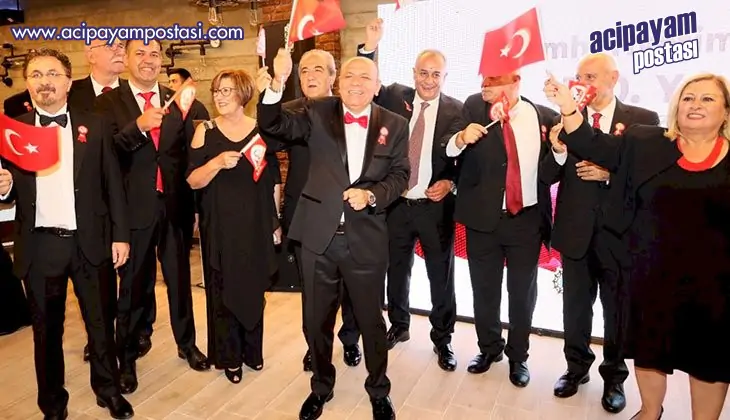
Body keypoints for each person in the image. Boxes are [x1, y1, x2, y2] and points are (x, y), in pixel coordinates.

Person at [544, 72, 730, 420]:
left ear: (726, 111)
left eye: (707, 98)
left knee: (707, 361)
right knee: (649, 351)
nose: (695, 105)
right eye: (688, 98)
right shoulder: (646, 142)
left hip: (714, 288)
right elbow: (592, 143)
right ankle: (649, 411)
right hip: (652, 276)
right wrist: (568, 107)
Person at [257, 50, 409, 420]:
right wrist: (277, 84)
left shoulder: (394, 123)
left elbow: (401, 174)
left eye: (365, 77)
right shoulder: (317, 111)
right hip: (317, 238)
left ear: (377, 86)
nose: (356, 83)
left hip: (366, 238)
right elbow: (273, 126)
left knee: (371, 321)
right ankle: (321, 387)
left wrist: (372, 195)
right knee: (316, 320)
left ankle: (379, 390)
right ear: (338, 83)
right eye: (350, 76)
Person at [0, 47, 134, 420]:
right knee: (46, 333)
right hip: (40, 245)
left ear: (68, 81)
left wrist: (121, 235)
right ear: (27, 84)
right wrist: (4, 189)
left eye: (53, 74)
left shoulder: (96, 125)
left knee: (100, 324)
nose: (45, 82)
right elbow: (8, 188)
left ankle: (108, 391)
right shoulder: (13, 132)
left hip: (90, 241)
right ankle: (52, 404)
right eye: (36, 75)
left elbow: (113, 185)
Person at [541, 52, 659, 413]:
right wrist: (558, 151)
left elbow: (649, 180)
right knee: (575, 309)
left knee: (616, 311)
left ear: (613, 78)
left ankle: (614, 377)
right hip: (575, 231)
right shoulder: (565, 120)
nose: (583, 84)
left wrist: (611, 175)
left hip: (618, 237)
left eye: (590, 77)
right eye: (579, 77)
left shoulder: (642, 121)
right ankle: (576, 369)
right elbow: (546, 176)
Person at [95, 39, 209, 395]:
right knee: (132, 287)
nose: (148, 60)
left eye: (155, 54)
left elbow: (187, 157)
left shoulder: (178, 100)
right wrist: (139, 127)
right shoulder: (108, 102)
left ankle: (187, 344)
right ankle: (126, 358)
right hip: (132, 211)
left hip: (174, 207)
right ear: (126, 59)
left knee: (180, 281)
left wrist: (194, 206)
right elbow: (104, 154)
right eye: (140, 53)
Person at [357, 19, 462, 370]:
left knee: (440, 276)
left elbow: (466, 158)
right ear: (413, 73)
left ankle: (443, 339)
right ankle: (399, 325)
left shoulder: (457, 110)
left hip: (435, 207)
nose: (429, 80)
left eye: (436, 74)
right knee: (396, 270)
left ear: (445, 77)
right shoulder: (394, 97)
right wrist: (370, 47)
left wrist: (451, 183)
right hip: (396, 205)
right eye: (423, 73)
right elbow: (368, 82)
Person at [445, 72, 558, 387]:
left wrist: (559, 151)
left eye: (493, 81)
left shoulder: (544, 117)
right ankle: (489, 348)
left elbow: (551, 171)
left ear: (516, 82)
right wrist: (460, 138)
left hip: (526, 220)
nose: (485, 86)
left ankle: (518, 356)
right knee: (484, 290)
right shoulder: (473, 107)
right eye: (483, 80)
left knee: (522, 294)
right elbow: (449, 148)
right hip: (483, 219)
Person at [262, 48, 362, 373]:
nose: (310, 76)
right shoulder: (291, 111)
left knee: (352, 287)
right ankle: (316, 348)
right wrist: (276, 83)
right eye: (304, 70)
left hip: (350, 214)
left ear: (333, 76)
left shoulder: (352, 108)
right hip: (307, 215)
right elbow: (270, 135)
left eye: (318, 69)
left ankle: (350, 338)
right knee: (313, 291)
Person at [187, 69, 280, 383]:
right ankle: (229, 358)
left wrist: (275, 222)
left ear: (243, 94)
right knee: (223, 291)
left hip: (255, 224)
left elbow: (272, 182)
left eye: (227, 90)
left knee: (252, 288)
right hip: (220, 226)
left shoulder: (261, 130)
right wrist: (215, 163)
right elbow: (192, 180)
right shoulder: (205, 130)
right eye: (217, 90)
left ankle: (252, 353)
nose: (220, 96)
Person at [67, 38, 135, 363]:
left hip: (133, 197)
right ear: (89, 54)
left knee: (136, 276)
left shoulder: (136, 92)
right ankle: (101, 337)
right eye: (109, 46)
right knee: (97, 281)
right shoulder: (71, 94)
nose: (119, 50)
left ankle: (135, 333)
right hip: (90, 204)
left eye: (122, 46)